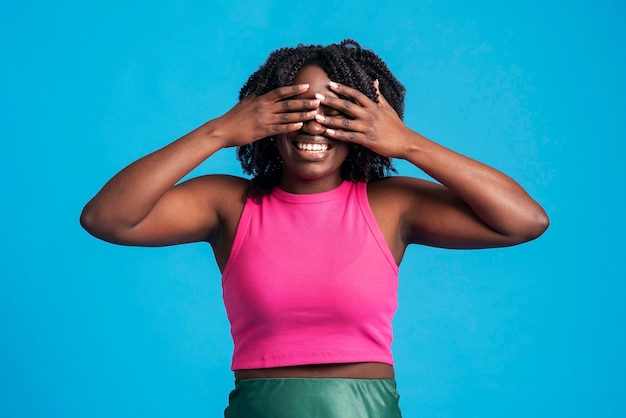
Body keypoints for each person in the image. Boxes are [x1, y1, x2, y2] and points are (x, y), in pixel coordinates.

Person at [80, 39, 549, 417]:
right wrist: (218, 132)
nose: (314, 126)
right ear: (267, 121)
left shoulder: (391, 205)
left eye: (336, 111)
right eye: (298, 108)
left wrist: (408, 144)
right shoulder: (229, 204)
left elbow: (524, 221)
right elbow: (106, 218)